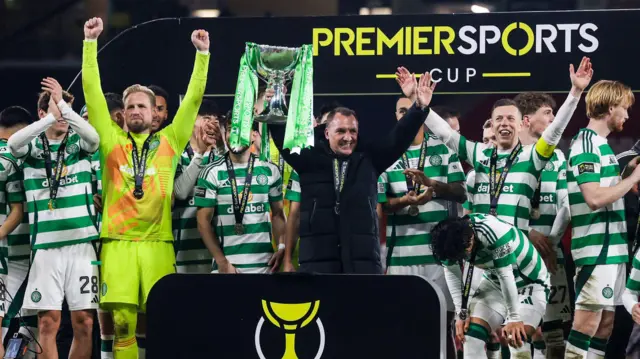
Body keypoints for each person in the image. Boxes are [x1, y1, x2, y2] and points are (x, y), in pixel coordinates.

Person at [82, 17, 210, 359]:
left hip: (157, 242)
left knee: (158, 319)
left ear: (156, 113)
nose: (135, 110)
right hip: (118, 242)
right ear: (122, 114)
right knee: (122, 323)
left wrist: (202, 56)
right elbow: (92, 93)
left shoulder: (170, 140)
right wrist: (90, 43)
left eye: (142, 105)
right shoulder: (110, 141)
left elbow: (194, 101)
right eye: (130, 106)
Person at [268, 70, 437, 274]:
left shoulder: (370, 158)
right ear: (327, 132)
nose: (348, 137)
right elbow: (281, 139)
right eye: (341, 131)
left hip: (362, 264)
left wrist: (418, 108)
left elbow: (399, 138)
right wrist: (275, 103)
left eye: (352, 131)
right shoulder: (309, 159)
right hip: (317, 264)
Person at [418, 57, 591, 232]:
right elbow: (447, 134)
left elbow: (555, 130)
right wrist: (422, 106)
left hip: (516, 253)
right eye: (499, 119)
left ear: (521, 124)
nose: (504, 123)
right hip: (482, 253)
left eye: (510, 118)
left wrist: (575, 92)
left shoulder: (532, 157)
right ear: (492, 125)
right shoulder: (479, 153)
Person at [8, 78, 100, 359]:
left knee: (84, 322)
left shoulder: (79, 144)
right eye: (55, 109)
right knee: (48, 323)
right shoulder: (31, 149)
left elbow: (95, 138)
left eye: (65, 109)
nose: (62, 115)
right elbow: (12, 143)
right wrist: (50, 118)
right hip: (45, 251)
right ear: (41, 114)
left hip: (82, 248)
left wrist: (62, 105)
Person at [378, 91, 467, 359]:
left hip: (440, 256)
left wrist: (433, 187)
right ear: (396, 117)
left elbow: (462, 192)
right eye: (402, 112)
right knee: (403, 324)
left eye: (411, 109)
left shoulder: (444, 148)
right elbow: (381, 203)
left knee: (443, 325)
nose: (407, 115)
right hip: (402, 255)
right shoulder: (386, 152)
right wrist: (404, 200)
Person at [565, 79, 637, 359]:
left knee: (605, 326)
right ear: (610, 107)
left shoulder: (602, 146)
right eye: (624, 108)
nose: (627, 115)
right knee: (587, 324)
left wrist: (624, 175)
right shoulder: (585, 144)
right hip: (597, 250)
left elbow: (604, 190)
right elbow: (594, 198)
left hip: (612, 250)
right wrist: (632, 178)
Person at [428, 213, 550, 359]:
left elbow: (506, 275)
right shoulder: (448, 242)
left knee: (516, 338)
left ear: (470, 239)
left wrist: (514, 317)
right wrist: (461, 313)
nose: (462, 259)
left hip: (530, 282)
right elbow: (452, 273)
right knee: (470, 337)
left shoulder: (493, 231)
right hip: (495, 282)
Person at [515, 92, 572, 358]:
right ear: (527, 120)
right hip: (514, 254)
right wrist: (526, 233)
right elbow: (490, 209)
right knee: (517, 331)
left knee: (554, 334)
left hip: (551, 256)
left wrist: (549, 242)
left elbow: (566, 205)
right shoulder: (507, 155)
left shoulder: (558, 157)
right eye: (547, 113)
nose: (553, 118)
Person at [195, 122, 286, 273]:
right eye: (231, 129)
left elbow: (278, 214)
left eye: (242, 128)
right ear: (225, 135)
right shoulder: (211, 172)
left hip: (265, 268)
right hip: (228, 270)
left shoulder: (270, 170)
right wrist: (222, 262)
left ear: (253, 135)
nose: (236, 134)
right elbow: (202, 222)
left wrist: (282, 246)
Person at [82, 92, 126, 359]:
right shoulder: (83, 154)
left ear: (117, 118)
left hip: (125, 243)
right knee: (98, 311)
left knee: (127, 315)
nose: (85, 126)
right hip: (92, 246)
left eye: (91, 119)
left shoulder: (130, 149)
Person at [173, 99, 221, 274]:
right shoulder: (176, 153)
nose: (211, 124)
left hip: (214, 253)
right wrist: (200, 154)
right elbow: (180, 192)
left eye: (215, 120)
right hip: (182, 250)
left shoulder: (220, 157)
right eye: (206, 118)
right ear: (192, 120)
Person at [0, 106, 32, 358]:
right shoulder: (28, 154)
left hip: (12, 255)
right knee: (30, 326)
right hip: (27, 255)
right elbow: (18, 211)